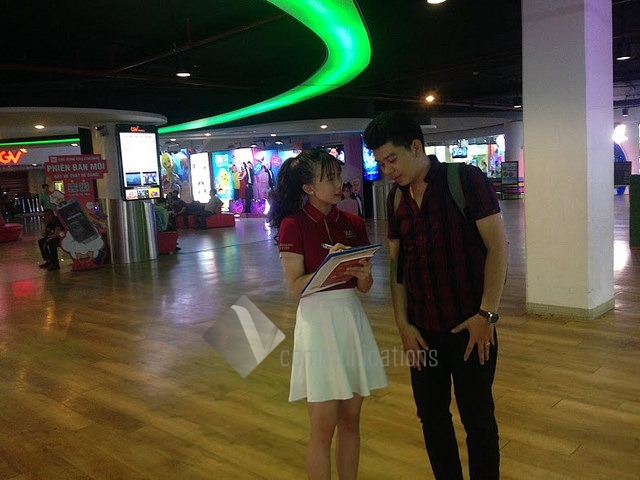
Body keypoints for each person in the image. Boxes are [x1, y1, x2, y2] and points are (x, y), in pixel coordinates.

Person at [363, 111, 509, 480]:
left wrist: (487, 315)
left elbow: (498, 248)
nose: (387, 170)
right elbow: (397, 266)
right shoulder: (396, 199)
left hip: (470, 327)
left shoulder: (465, 180)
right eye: (381, 163)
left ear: (416, 147)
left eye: (392, 160)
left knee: (477, 419)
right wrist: (402, 324)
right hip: (423, 332)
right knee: (432, 417)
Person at [267, 149, 388, 480]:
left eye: (339, 176)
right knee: (322, 428)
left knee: (351, 422)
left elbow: (364, 286)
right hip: (317, 324)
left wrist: (364, 276)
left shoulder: (352, 223)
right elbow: (296, 288)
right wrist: (329, 265)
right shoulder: (293, 225)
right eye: (330, 178)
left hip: (350, 318)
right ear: (308, 187)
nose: (339, 185)